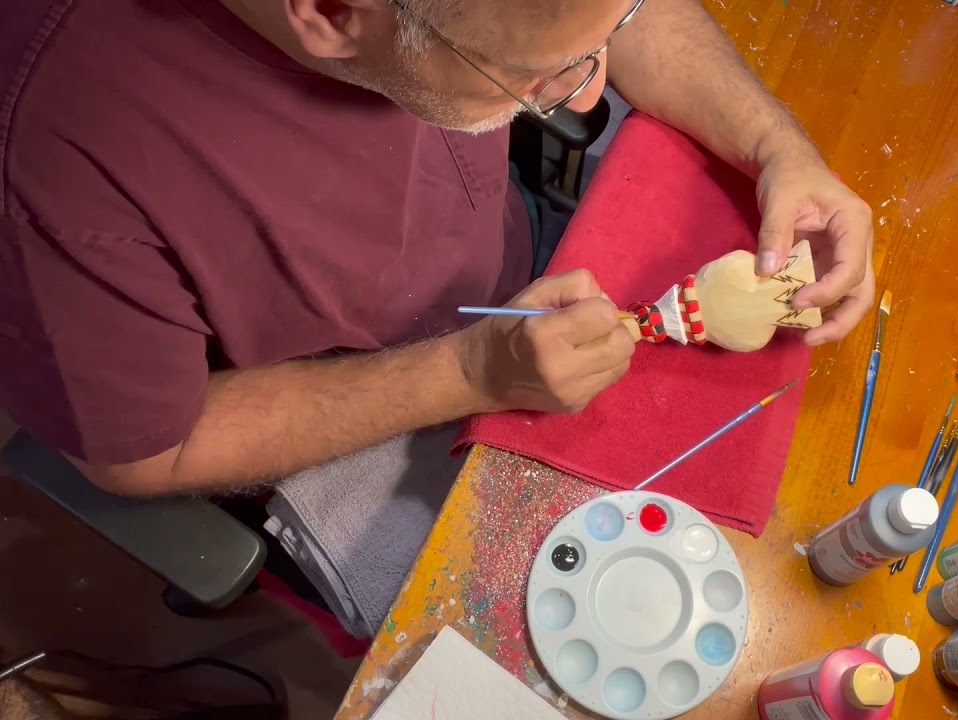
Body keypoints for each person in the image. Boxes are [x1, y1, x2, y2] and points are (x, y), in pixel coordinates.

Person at [0, 0, 875, 500]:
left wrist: (775, 147)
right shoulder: (56, 161)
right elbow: (146, 455)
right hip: (348, 409)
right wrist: (470, 374)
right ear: (331, 11)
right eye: (533, 77)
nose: (590, 98)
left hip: (505, 267)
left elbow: (587, 16)